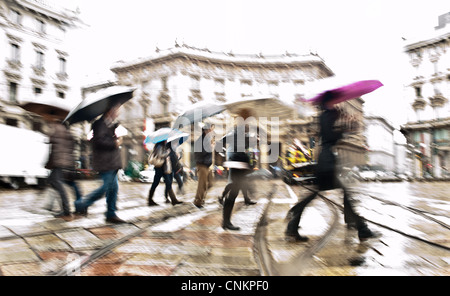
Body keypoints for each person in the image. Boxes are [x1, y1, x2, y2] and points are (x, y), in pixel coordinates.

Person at [285, 91, 378, 242]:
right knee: (346, 195)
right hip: (330, 161)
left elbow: (327, 136)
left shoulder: (324, 116)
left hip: (325, 160)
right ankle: (362, 229)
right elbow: (334, 136)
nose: (338, 102)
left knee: (316, 195)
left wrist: (345, 125)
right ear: (330, 102)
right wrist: (348, 126)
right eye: (335, 100)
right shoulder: (332, 115)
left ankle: (292, 225)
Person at [75, 105, 125, 224]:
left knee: (113, 189)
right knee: (106, 188)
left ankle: (111, 214)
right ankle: (82, 204)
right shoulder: (99, 124)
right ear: (109, 111)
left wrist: (115, 129)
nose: (118, 113)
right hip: (105, 162)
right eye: (116, 110)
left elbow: (106, 137)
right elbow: (98, 141)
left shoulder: (109, 124)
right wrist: (115, 143)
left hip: (112, 162)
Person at [45, 120, 78, 221]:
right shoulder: (65, 131)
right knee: (53, 181)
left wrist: (48, 163)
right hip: (63, 162)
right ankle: (54, 206)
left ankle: (66, 209)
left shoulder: (58, 130)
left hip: (59, 162)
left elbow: (55, 149)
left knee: (56, 183)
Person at [147, 140, 183, 206]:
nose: (166, 140)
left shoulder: (163, 146)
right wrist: (167, 152)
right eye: (165, 140)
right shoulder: (159, 146)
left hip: (164, 167)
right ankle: (150, 200)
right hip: (159, 167)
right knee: (155, 183)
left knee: (168, 183)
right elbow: (160, 154)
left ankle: (173, 199)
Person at [193, 123, 214, 208]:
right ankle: (198, 201)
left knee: (210, 183)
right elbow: (199, 153)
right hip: (202, 165)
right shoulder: (200, 141)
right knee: (202, 184)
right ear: (206, 131)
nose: (212, 131)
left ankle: (201, 199)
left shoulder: (207, 140)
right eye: (210, 130)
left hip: (207, 165)